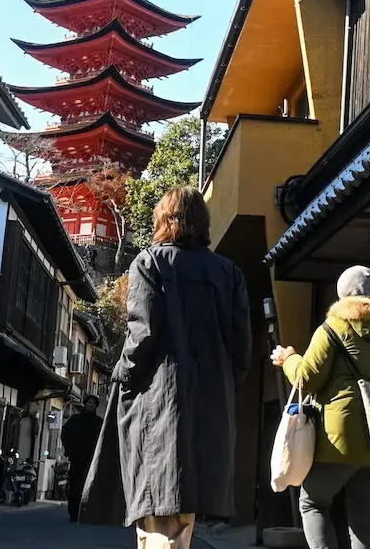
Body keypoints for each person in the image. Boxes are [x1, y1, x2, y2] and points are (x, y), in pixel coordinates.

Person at [81, 187, 252, 549]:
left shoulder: (149, 263)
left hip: (159, 402)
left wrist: (123, 373)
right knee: (182, 513)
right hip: (209, 406)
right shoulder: (229, 272)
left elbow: (142, 333)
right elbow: (242, 348)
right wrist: (222, 385)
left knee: (160, 508)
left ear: (164, 219)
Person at [271, 265, 370, 549]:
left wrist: (288, 358)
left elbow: (305, 379)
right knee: (364, 519)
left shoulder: (334, 326)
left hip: (339, 439)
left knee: (312, 503)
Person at [62, 394, 103, 523]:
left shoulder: (99, 422)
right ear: (85, 404)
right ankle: (73, 513)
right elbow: (65, 434)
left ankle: (87, 513)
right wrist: (70, 450)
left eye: (93, 403)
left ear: (96, 406)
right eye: (89, 403)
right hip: (77, 458)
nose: (91, 405)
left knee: (90, 487)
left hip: (92, 460)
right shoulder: (75, 420)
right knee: (75, 486)